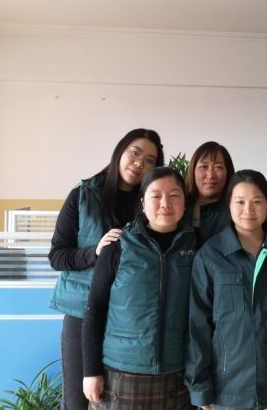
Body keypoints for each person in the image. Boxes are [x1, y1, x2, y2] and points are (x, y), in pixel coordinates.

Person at [49, 128, 163, 410]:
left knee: (113, 401)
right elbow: (57, 256)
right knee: (77, 401)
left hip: (127, 320)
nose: (139, 163)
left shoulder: (152, 204)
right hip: (82, 313)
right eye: (135, 153)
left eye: (149, 160)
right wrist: (95, 252)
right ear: (120, 151)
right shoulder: (83, 195)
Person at [82, 166, 197, 409]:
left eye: (174, 195)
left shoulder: (197, 246)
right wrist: (91, 371)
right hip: (121, 373)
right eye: (156, 195)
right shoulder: (118, 245)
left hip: (178, 373)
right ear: (143, 202)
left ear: (184, 202)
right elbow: (95, 308)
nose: (165, 203)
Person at [186, 170, 267, 410]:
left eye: (257, 201)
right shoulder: (210, 255)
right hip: (226, 389)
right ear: (229, 204)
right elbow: (198, 326)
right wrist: (200, 387)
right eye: (240, 202)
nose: (249, 210)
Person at [184, 141, 235, 243]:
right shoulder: (180, 206)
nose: (211, 175)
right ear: (193, 170)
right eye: (203, 167)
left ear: (228, 172)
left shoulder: (236, 211)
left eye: (218, 167)